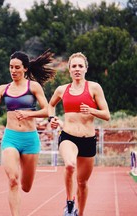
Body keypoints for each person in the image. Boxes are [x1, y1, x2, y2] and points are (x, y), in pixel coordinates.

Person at [0, 50, 56, 216]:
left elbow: (47, 110)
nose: (13, 71)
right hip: (11, 138)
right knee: (13, 180)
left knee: (26, 187)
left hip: (30, 140)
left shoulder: (33, 86)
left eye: (17, 67)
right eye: (11, 67)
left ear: (25, 69)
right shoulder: (3, 89)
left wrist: (29, 114)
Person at [48, 52, 110, 216]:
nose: (77, 69)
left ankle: (79, 213)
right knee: (69, 165)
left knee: (82, 183)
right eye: (73, 66)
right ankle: (69, 204)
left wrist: (91, 110)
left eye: (80, 66)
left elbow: (107, 115)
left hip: (88, 140)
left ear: (85, 69)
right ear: (69, 70)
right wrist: (51, 119)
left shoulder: (94, 87)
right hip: (68, 136)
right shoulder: (62, 90)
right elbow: (50, 105)